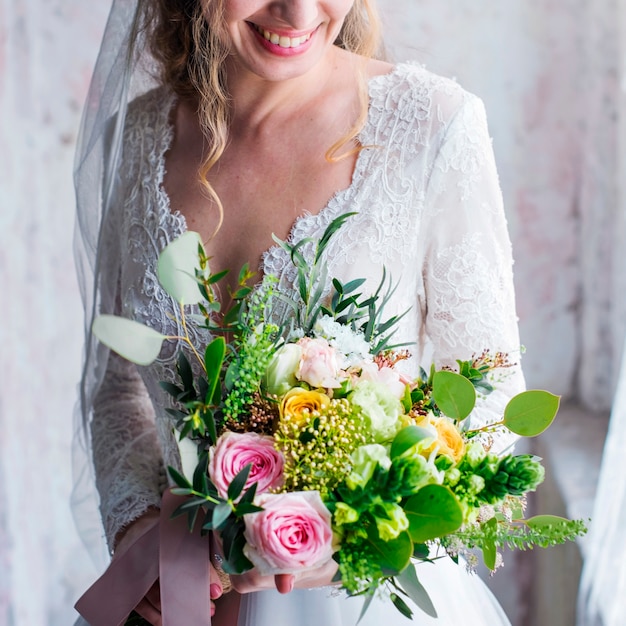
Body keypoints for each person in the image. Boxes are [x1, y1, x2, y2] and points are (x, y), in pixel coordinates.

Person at [73, 0, 526, 624]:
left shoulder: (432, 125)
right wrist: (139, 531)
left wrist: (343, 546)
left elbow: (492, 399)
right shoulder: (135, 139)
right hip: (176, 592)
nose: (298, 11)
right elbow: (117, 384)